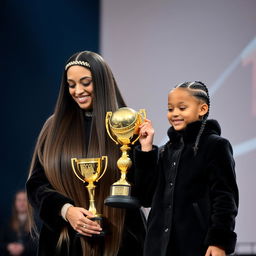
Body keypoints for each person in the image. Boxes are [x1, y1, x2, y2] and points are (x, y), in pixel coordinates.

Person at [26, 51, 146, 256]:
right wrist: (66, 211)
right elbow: (36, 185)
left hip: (120, 242)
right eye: (71, 85)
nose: (77, 90)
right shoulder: (53, 127)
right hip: (63, 243)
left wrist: (147, 151)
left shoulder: (126, 124)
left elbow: (146, 192)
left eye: (85, 82)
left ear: (101, 82)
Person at [134, 81, 239, 256]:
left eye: (182, 108)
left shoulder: (216, 146)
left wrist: (218, 242)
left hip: (197, 247)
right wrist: (146, 149)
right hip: (157, 248)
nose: (174, 113)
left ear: (202, 109)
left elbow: (225, 198)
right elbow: (145, 198)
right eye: (170, 109)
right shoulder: (165, 151)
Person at [0, 190, 37, 256]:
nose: (21, 203)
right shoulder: (6, 222)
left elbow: (40, 244)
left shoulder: (36, 223)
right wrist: (8, 246)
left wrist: (24, 248)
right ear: (15, 203)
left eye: (24, 200)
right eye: (19, 200)